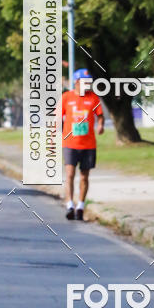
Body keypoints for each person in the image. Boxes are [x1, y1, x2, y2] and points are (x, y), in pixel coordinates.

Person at [61, 68, 104, 220]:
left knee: (84, 176)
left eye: (89, 82)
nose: (88, 84)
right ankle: (69, 205)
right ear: (76, 82)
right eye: (85, 82)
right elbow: (58, 117)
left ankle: (80, 205)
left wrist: (100, 125)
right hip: (70, 143)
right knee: (70, 174)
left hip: (88, 144)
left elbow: (100, 115)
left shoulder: (93, 98)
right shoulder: (66, 97)